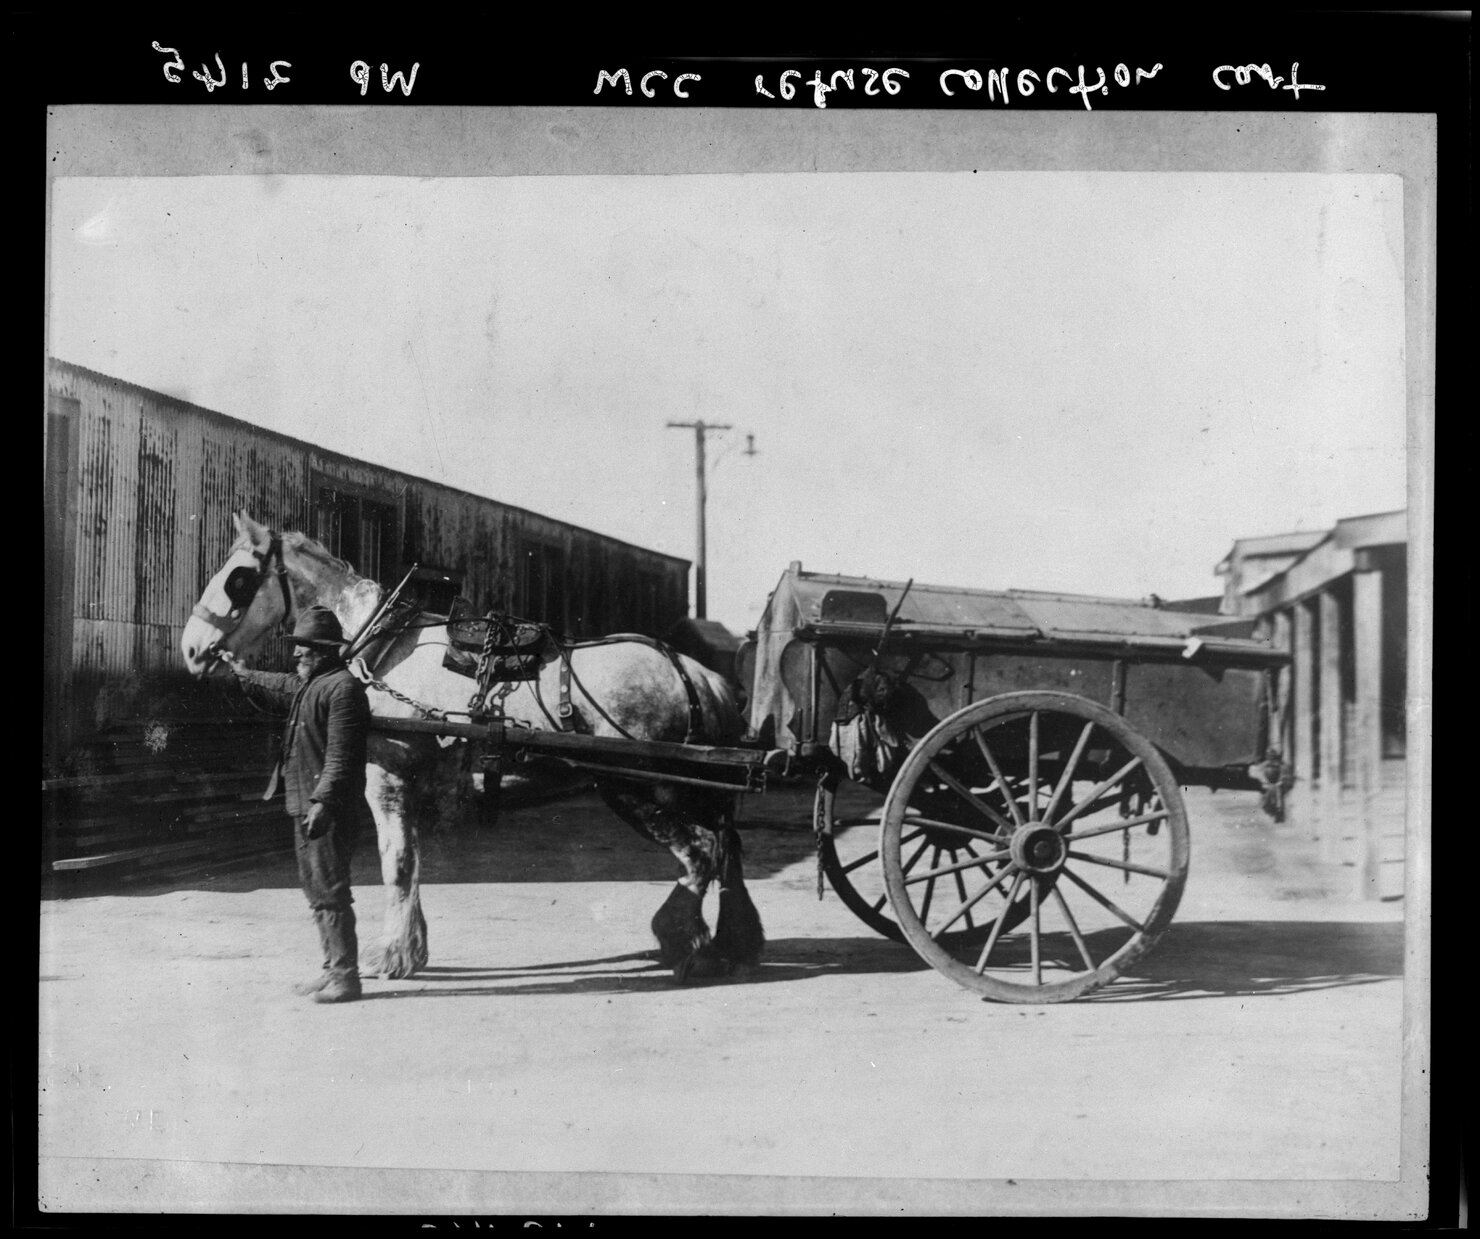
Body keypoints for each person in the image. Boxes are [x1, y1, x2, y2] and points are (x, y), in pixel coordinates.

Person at [228, 606, 373, 1003]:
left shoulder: (343, 690)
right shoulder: (311, 684)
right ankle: (331, 970)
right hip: (302, 805)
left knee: (330, 891)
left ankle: (346, 977)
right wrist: (242, 673)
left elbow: (341, 759)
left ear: (324, 651)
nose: (296, 656)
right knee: (316, 892)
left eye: (303, 649)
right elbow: (279, 683)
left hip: (327, 810)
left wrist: (323, 802)